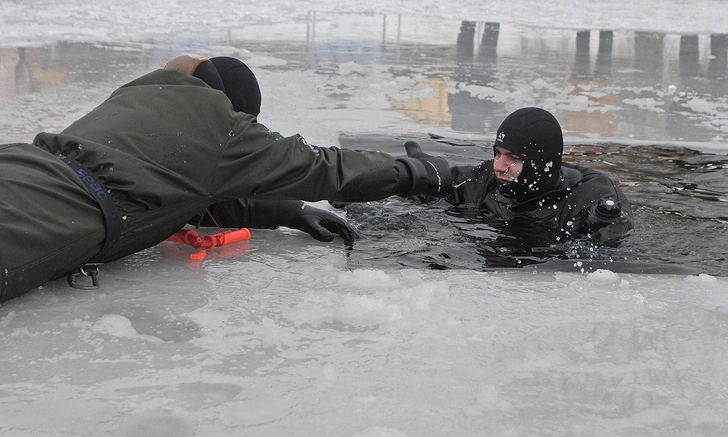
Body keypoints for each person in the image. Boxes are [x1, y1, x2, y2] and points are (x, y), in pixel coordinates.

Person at [0, 54, 451, 302]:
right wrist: (414, 173)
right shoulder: (221, 128)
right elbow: (323, 167)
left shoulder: (141, 99)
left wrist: (281, 211)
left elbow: (171, 187)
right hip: (38, 221)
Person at [404, 106, 633, 244]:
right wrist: (420, 176)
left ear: (539, 162)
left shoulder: (585, 201)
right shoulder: (488, 181)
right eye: (497, 153)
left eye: (513, 158)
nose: (499, 166)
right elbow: (451, 182)